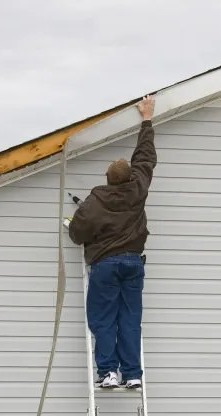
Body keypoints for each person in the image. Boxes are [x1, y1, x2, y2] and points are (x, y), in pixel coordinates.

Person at [68, 95, 157, 389]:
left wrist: (79, 225)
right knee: (130, 319)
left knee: (104, 318)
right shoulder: (138, 187)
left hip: (106, 265)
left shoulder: (96, 200)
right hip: (133, 262)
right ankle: (132, 374)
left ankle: (108, 372)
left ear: (108, 179)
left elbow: (78, 233)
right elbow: (145, 157)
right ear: (130, 177)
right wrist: (146, 118)